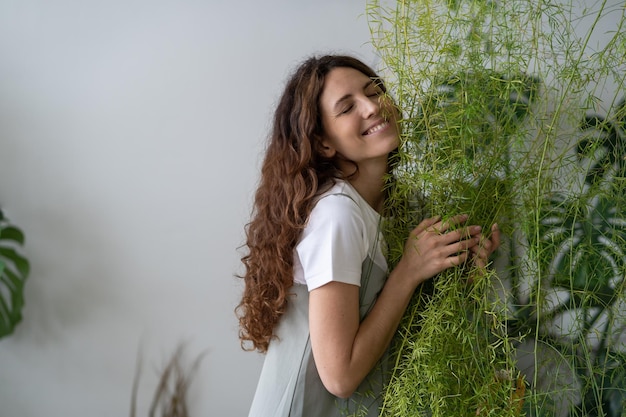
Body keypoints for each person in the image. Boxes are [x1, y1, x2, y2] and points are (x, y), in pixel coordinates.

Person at [236, 54, 501, 417]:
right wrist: (409, 270)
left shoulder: (400, 205)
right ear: (325, 143)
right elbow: (340, 378)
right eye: (347, 108)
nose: (373, 107)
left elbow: (402, 326)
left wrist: (466, 269)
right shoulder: (337, 215)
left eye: (374, 92)